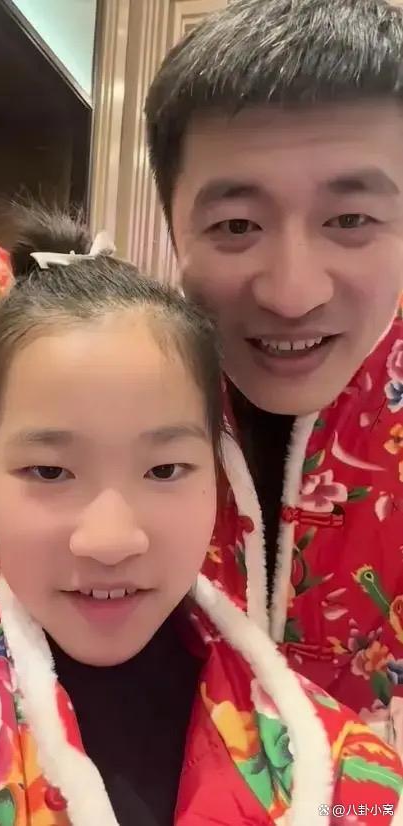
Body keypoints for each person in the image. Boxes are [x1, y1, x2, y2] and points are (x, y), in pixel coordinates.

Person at [0, 207, 402, 826]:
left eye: (163, 470)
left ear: (217, 473)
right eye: (49, 471)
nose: (109, 540)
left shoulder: (345, 766)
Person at [145, 0, 403, 742]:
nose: (292, 294)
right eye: (237, 225)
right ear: (174, 230)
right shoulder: (122, 408)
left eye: (349, 220)